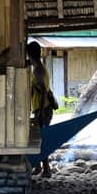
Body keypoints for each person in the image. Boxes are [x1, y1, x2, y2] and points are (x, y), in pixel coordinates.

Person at [27, 41, 56, 178]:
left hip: (43, 109)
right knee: (38, 138)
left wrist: (40, 112)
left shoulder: (39, 70)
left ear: (29, 54)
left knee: (41, 139)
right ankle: (39, 167)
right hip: (40, 107)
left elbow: (44, 91)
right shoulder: (37, 67)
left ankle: (46, 169)